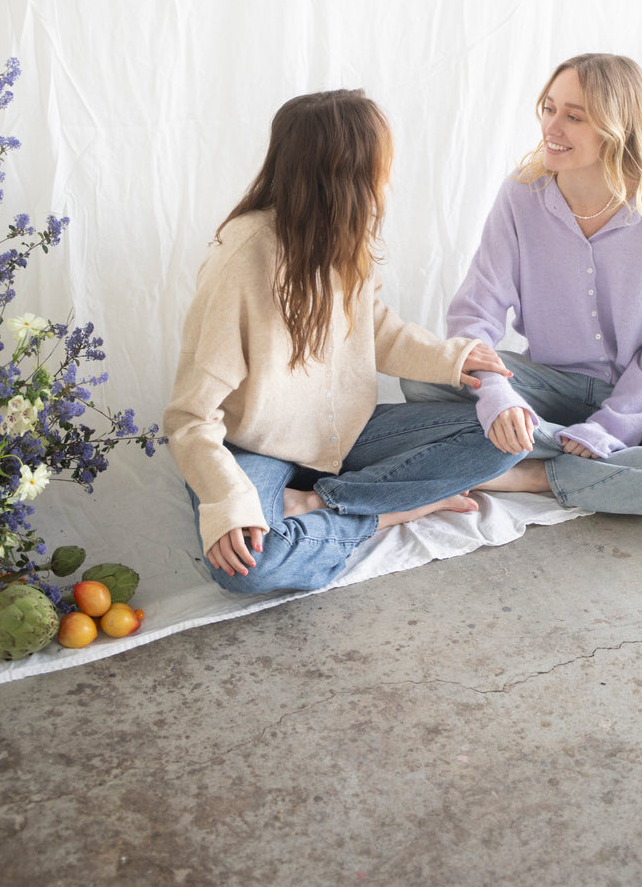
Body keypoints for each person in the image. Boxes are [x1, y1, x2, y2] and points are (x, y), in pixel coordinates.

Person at [164, 89, 524, 594]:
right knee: (247, 569)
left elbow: (378, 331)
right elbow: (189, 416)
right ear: (345, 171)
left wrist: (453, 358)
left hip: (346, 435)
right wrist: (227, 500)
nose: (388, 175)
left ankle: (319, 501)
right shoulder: (243, 256)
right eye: (382, 160)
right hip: (255, 449)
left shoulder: (348, 239)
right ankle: (396, 509)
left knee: (502, 434)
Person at [402, 53, 642, 518]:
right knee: (422, 374)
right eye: (549, 108)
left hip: (637, 399)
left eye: (574, 117)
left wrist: (611, 426)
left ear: (617, 128)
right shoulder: (521, 197)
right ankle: (571, 450)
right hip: (549, 385)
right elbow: (477, 311)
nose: (552, 127)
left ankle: (535, 472)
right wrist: (498, 394)